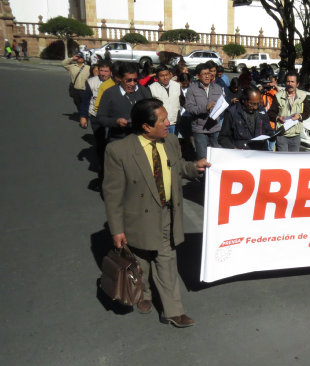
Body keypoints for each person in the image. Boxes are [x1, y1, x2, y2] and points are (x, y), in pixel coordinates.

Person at [103, 98, 210, 327]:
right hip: (137, 218)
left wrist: (194, 167)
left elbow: (178, 167)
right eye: (162, 120)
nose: (168, 123)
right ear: (146, 126)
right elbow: (112, 194)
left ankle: (173, 311)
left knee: (166, 259)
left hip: (166, 214)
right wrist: (117, 229)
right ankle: (144, 294)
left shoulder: (170, 141)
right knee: (141, 259)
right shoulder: (119, 151)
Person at [97, 62, 151, 142]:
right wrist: (116, 122)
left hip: (141, 139)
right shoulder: (109, 93)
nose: (132, 84)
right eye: (128, 80)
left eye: (135, 80)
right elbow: (101, 118)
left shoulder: (143, 91)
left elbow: (151, 110)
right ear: (120, 78)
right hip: (119, 140)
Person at [184, 63, 224, 160]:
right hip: (200, 129)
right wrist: (205, 108)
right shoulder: (192, 89)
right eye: (204, 74)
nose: (207, 76)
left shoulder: (218, 88)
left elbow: (222, 105)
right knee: (203, 157)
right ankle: (203, 175)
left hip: (215, 128)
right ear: (198, 76)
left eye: (209, 73)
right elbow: (189, 108)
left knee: (216, 157)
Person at [80, 60, 112, 178]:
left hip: (110, 117)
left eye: (106, 71)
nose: (103, 73)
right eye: (101, 71)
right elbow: (85, 101)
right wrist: (83, 116)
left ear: (111, 72)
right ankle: (102, 165)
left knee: (110, 141)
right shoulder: (91, 82)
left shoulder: (115, 83)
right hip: (96, 117)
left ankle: (110, 164)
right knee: (100, 142)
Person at [219, 86, 274, 150]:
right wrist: (233, 148)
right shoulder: (232, 112)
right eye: (252, 104)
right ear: (243, 100)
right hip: (242, 154)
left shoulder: (262, 111)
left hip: (261, 153)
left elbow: (268, 130)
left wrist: (273, 136)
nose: (255, 107)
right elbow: (223, 138)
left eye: (257, 104)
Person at [267, 70, 310, 152]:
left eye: (292, 82)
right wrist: (278, 118)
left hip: (296, 135)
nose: (290, 84)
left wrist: (300, 116)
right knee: (283, 161)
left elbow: (307, 112)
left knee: (294, 161)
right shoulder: (278, 96)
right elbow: (270, 113)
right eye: (288, 81)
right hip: (282, 134)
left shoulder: (303, 95)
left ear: (297, 84)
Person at [148, 64, 181, 134]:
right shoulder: (152, 88)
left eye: (167, 75)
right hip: (160, 124)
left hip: (175, 123)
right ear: (157, 77)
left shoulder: (177, 85)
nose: (165, 77)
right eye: (162, 76)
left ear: (170, 74)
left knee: (173, 143)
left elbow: (182, 101)